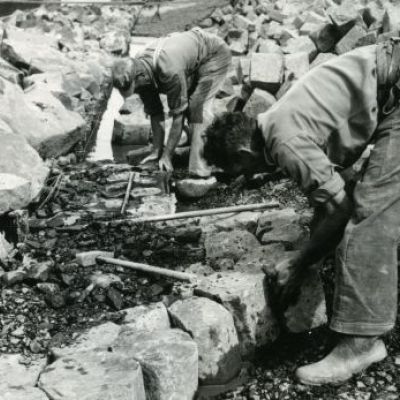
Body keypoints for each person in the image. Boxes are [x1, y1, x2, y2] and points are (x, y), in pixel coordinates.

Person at [203, 39, 400, 385]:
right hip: (389, 75)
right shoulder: (276, 119)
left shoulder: (283, 141)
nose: (250, 177)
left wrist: (299, 261)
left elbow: (342, 208)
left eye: (242, 170)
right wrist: (314, 250)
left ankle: (362, 344)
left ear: (244, 153)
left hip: (394, 87)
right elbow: (330, 193)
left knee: (369, 219)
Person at [112, 27, 232, 178]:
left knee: (197, 107)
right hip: (189, 59)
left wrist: (167, 156)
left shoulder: (169, 70)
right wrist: (156, 151)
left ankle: (199, 170)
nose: (137, 91)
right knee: (186, 103)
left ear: (140, 76)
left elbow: (177, 117)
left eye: (135, 88)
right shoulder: (140, 68)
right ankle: (192, 144)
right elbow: (155, 112)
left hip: (214, 55)